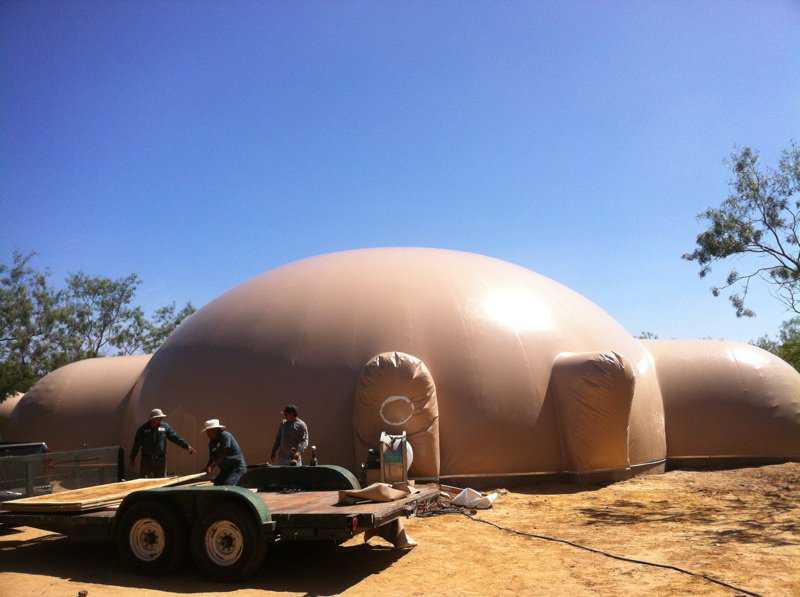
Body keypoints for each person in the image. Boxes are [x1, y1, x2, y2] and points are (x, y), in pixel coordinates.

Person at [130, 408, 195, 478]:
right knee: (144, 480)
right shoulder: (143, 429)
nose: (160, 420)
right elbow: (136, 445)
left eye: (161, 418)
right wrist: (132, 458)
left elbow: (175, 438)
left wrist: (187, 446)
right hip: (147, 460)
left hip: (160, 460)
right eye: (159, 418)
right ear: (152, 419)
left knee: (160, 479)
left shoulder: (165, 427)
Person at [203, 419, 247, 486]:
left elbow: (224, 453)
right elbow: (212, 458)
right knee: (216, 485)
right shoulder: (211, 442)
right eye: (207, 432)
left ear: (216, 430)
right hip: (226, 470)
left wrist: (212, 466)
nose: (207, 434)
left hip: (236, 468)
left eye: (209, 431)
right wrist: (208, 466)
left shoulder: (225, 435)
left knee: (227, 486)